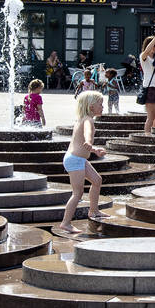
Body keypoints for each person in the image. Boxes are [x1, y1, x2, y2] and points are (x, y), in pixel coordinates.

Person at [57, 91, 107, 235]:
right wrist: (90, 142)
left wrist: (93, 149)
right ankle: (66, 223)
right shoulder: (87, 120)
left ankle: (94, 211)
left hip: (77, 159)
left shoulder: (82, 118)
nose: (102, 107)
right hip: (75, 160)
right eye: (100, 104)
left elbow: (81, 143)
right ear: (91, 107)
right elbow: (87, 133)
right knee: (78, 193)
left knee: (97, 180)